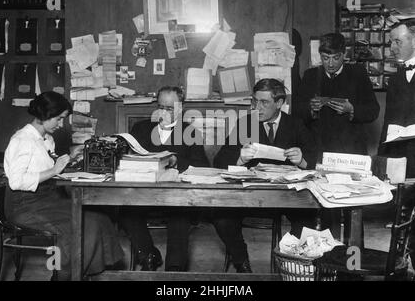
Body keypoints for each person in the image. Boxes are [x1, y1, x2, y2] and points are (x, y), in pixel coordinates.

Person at [3, 91, 123, 280]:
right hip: (24, 205)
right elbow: (16, 181)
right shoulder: (22, 140)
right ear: (45, 115)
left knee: (99, 217)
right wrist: (54, 170)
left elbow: (45, 165)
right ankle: (64, 276)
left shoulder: (45, 138)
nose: (61, 125)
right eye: (59, 119)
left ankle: (92, 273)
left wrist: (68, 160)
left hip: (46, 198)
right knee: (82, 225)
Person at [213, 78, 317, 272]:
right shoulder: (246, 124)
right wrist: (240, 159)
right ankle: (241, 262)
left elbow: (316, 159)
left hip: (287, 197)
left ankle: (290, 263)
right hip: (250, 196)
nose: (257, 108)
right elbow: (218, 162)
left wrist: (302, 160)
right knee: (221, 218)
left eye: (264, 102)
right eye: (254, 101)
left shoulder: (296, 124)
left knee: (308, 219)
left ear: (279, 103)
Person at [119, 86, 209, 272]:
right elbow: (127, 159)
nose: (164, 112)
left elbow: (202, 166)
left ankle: (175, 270)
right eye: (160, 106)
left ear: (180, 108)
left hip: (176, 196)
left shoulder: (190, 132)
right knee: (125, 210)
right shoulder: (141, 128)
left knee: (180, 216)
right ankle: (148, 255)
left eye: (169, 108)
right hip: (143, 194)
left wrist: (176, 161)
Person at [293, 32, 380, 161]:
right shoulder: (310, 76)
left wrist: (352, 109)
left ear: (344, 54)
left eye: (336, 57)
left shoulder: (358, 73)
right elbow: (297, 112)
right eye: (325, 58)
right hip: (319, 149)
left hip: (351, 149)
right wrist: (311, 109)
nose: (331, 64)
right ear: (320, 56)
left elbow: (373, 110)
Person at [377, 20, 415, 268]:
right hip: (404, 161)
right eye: (391, 41)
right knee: (402, 222)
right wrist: (383, 159)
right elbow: (389, 122)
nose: (392, 47)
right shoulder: (398, 76)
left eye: (397, 41)